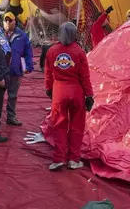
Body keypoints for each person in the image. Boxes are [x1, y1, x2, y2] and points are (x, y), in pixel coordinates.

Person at [44, 22, 94, 171]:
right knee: (76, 126)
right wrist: (89, 95)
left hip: (59, 91)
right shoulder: (79, 52)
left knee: (59, 125)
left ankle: (59, 158)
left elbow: (48, 73)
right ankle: (73, 159)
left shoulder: (52, 51)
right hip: (76, 91)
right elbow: (85, 77)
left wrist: (49, 89)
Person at [0, 12, 34, 126]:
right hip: (0, 72)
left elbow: (28, 52)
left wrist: (28, 66)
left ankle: (11, 117)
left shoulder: (22, 35)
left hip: (16, 70)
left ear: (15, 21)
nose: (8, 23)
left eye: (10, 20)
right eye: (6, 20)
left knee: (13, 95)